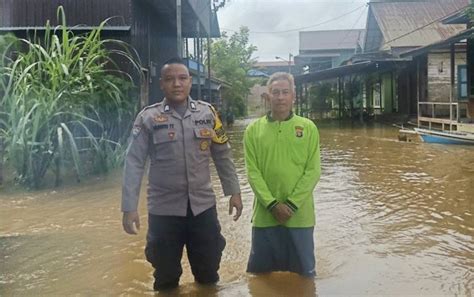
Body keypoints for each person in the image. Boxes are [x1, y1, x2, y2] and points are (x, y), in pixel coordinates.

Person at [121, 57, 243, 291]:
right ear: (161, 85)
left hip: (203, 208)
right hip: (164, 211)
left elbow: (223, 155)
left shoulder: (208, 114)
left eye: (182, 78)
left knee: (208, 273)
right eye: (170, 79)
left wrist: (234, 192)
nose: (176, 84)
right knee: (165, 277)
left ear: (190, 81)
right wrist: (129, 207)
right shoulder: (148, 118)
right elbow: (134, 163)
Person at [243, 72, 321, 277]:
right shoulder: (253, 130)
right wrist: (272, 204)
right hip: (264, 216)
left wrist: (292, 204)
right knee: (260, 278)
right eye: (275, 92)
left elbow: (313, 171)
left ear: (293, 96)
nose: (280, 97)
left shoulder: (308, 128)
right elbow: (252, 172)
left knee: (304, 277)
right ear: (267, 96)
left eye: (285, 92)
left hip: (300, 216)